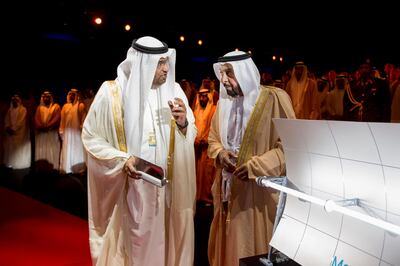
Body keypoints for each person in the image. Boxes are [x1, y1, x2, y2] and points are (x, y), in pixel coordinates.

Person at [81, 36, 197, 266]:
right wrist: (122, 160)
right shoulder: (113, 93)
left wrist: (184, 123)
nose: (166, 68)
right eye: (160, 62)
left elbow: (190, 131)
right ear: (143, 62)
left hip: (169, 191)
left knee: (169, 245)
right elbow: (91, 138)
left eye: (167, 62)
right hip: (132, 190)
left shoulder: (174, 91)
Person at [207, 51, 295, 266]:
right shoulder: (223, 104)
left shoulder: (274, 98)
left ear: (245, 73)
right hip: (227, 192)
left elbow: (290, 147)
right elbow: (213, 139)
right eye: (222, 73)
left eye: (229, 73)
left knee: (251, 248)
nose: (224, 79)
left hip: (258, 195)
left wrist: (256, 166)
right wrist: (221, 153)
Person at [193, 85, 217, 203]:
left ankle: (207, 197)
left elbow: (215, 128)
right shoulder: (195, 111)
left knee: (207, 173)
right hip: (197, 147)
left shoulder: (214, 110)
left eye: (204, 96)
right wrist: (195, 139)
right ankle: (197, 195)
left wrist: (206, 139)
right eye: (200, 96)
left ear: (209, 97)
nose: (202, 99)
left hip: (208, 147)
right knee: (197, 172)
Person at [59, 88, 86, 174]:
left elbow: (84, 120)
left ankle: (79, 169)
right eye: (70, 94)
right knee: (67, 150)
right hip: (67, 134)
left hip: (77, 134)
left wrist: (81, 130)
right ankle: (67, 168)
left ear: (77, 96)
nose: (71, 96)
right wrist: (61, 132)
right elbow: (62, 121)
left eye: (73, 94)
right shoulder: (65, 106)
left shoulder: (81, 106)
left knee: (77, 150)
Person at [34, 91, 61, 171]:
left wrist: (48, 126)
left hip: (51, 133)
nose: (46, 99)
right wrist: (41, 127)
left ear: (51, 98)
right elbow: (36, 119)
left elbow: (57, 118)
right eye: (44, 97)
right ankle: (42, 167)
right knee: (41, 149)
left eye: (48, 97)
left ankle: (52, 166)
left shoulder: (56, 107)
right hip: (41, 134)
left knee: (52, 150)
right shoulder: (39, 108)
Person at [3, 94, 31, 169]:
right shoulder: (10, 110)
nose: (15, 101)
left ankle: (19, 163)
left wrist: (14, 129)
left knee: (18, 149)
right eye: (13, 100)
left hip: (19, 133)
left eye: (16, 100)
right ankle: (10, 163)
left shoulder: (23, 109)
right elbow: (6, 120)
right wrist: (7, 127)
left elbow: (21, 121)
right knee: (11, 149)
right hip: (10, 133)